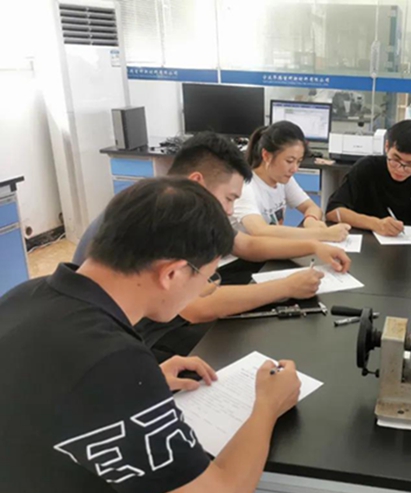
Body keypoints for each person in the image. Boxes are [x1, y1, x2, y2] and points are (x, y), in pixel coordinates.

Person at [0, 178, 302, 493]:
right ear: (172, 273)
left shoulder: (25, 296)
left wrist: (138, 386)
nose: (204, 290)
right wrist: (267, 405)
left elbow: (43, 392)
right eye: (207, 278)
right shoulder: (113, 362)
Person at [73, 132, 351, 359]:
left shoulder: (178, 205)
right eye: (229, 198)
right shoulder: (163, 216)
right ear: (197, 182)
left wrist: (313, 245)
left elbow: (247, 245)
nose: (230, 211)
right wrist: (286, 287)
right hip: (130, 339)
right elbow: (195, 307)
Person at [232, 120, 351, 241]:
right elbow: (260, 230)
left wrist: (311, 220)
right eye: (289, 161)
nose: (295, 169)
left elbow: (311, 207)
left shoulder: (282, 179)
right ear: (266, 156)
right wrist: (323, 234)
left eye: (298, 161)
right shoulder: (245, 187)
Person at [326, 119, 411, 239]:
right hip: (365, 241)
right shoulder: (366, 168)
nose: (400, 169)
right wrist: (375, 224)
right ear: (387, 147)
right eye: (395, 159)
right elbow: (333, 211)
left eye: (410, 165)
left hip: (404, 242)